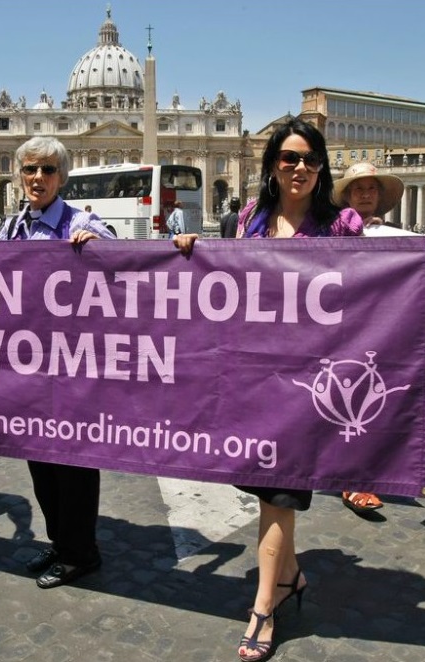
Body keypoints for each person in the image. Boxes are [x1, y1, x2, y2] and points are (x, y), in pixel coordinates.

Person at [174, 119, 363, 661]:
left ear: (322, 167)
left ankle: (262, 608)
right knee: (269, 488)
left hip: (311, 380)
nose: (299, 168)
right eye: (288, 158)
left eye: (309, 159)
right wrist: (193, 251)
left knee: (278, 494)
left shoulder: (342, 224)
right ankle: (291, 576)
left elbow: (378, 280)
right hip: (257, 377)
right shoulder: (250, 220)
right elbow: (227, 283)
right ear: (272, 165)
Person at [0, 136, 115, 588]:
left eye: (47, 170)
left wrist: (97, 247)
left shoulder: (80, 222)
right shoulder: (13, 228)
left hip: (73, 368)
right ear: (20, 174)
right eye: (30, 169)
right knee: (40, 464)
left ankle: (82, 552)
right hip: (27, 366)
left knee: (74, 464)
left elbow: (124, 264)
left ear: (62, 177)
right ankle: (61, 542)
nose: (38, 178)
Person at [333, 162, 407, 515]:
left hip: (378, 332)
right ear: (346, 194)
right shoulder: (329, 231)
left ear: (380, 196)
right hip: (334, 330)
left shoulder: (398, 237)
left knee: (362, 406)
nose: (364, 193)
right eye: (357, 187)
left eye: (371, 188)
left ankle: (357, 476)